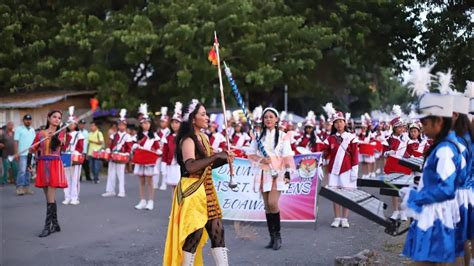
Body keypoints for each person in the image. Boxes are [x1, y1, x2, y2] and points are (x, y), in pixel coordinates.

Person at [163, 100, 232, 265]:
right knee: (194, 233)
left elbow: (207, 165)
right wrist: (215, 156)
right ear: (193, 119)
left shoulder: (203, 137)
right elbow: (191, 166)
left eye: (206, 114)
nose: (207, 118)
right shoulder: (188, 140)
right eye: (203, 114)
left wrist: (224, 159)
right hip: (192, 191)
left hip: (207, 191)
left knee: (218, 231)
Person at [400, 93, 462, 264]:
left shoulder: (444, 150)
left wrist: (415, 197)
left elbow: (446, 189)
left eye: (425, 124)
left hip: (436, 218)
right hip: (434, 214)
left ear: (439, 122)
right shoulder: (441, 147)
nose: (423, 128)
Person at [246, 107, 294, 250]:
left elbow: (287, 156)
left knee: (273, 203)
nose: (268, 119)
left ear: (276, 119)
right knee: (267, 206)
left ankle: (278, 236)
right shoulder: (258, 135)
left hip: (277, 173)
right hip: (263, 173)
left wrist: (287, 173)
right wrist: (262, 160)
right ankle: (272, 237)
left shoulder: (283, 136)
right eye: (266, 117)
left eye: (271, 117)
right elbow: (251, 154)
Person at [29, 110, 67, 237]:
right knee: (49, 198)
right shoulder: (40, 134)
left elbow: (59, 145)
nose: (57, 119)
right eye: (54, 117)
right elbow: (33, 148)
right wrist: (32, 149)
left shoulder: (61, 133)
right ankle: (55, 224)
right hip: (42, 165)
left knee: (50, 197)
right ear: (49, 118)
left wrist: (54, 136)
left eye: (59, 118)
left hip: (54, 165)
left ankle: (47, 227)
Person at [321, 111, 359, 228]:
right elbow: (325, 153)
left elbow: (355, 156)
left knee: (346, 194)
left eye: (341, 121)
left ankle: (345, 218)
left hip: (347, 170)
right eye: (336, 122)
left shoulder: (351, 138)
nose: (339, 124)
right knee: (336, 194)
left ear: (345, 123)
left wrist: (354, 171)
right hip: (333, 171)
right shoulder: (330, 139)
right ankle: (337, 218)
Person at [133, 104, 160, 211]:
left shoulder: (154, 136)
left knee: (150, 181)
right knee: (141, 181)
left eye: (148, 123)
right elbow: (135, 147)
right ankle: (142, 200)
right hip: (140, 161)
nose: (146, 125)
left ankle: (151, 201)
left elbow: (158, 148)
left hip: (149, 161)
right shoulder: (138, 136)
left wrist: (156, 151)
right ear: (141, 125)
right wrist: (135, 147)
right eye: (144, 123)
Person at [383, 116, 409, 221]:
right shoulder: (389, 140)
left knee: (403, 189)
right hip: (392, 164)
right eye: (399, 127)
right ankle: (395, 210)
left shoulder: (406, 138)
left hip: (403, 164)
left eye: (402, 127)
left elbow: (408, 151)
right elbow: (383, 153)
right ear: (394, 128)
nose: (401, 129)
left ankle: (403, 211)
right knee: (393, 189)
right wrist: (388, 152)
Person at [102, 109, 132, 197]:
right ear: (118, 126)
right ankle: (110, 190)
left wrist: (126, 154)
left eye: (123, 125)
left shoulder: (127, 136)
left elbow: (129, 147)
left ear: (125, 126)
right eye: (120, 125)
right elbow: (109, 145)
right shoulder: (114, 135)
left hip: (121, 156)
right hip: (113, 155)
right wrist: (108, 149)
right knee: (111, 173)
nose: (121, 126)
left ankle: (121, 191)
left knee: (120, 174)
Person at [62, 107, 84, 205]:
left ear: (76, 124)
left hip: (75, 157)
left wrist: (75, 152)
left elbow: (80, 148)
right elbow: (62, 146)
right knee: (66, 178)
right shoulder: (64, 134)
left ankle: (75, 197)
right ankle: (67, 197)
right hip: (66, 157)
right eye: (69, 123)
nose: (71, 125)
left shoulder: (79, 134)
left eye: (73, 123)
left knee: (75, 179)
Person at [161, 102, 182, 193]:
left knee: (181, 188)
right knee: (173, 187)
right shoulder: (168, 137)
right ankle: (175, 206)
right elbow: (165, 153)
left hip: (181, 166)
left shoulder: (185, 137)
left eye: (177, 122)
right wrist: (164, 166)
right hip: (171, 165)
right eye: (173, 123)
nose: (174, 125)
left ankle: (182, 207)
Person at [14, 114, 36, 195]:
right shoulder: (19, 129)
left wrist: (35, 153)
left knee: (28, 171)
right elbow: (16, 141)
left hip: (31, 154)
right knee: (22, 171)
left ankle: (26, 188)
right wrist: (16, 153)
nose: (28, 121)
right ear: (23, 120)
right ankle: (19, 188)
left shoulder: (32, 130)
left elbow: (34, 143)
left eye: (29, 119)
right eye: (26, 119)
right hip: (22, 153)